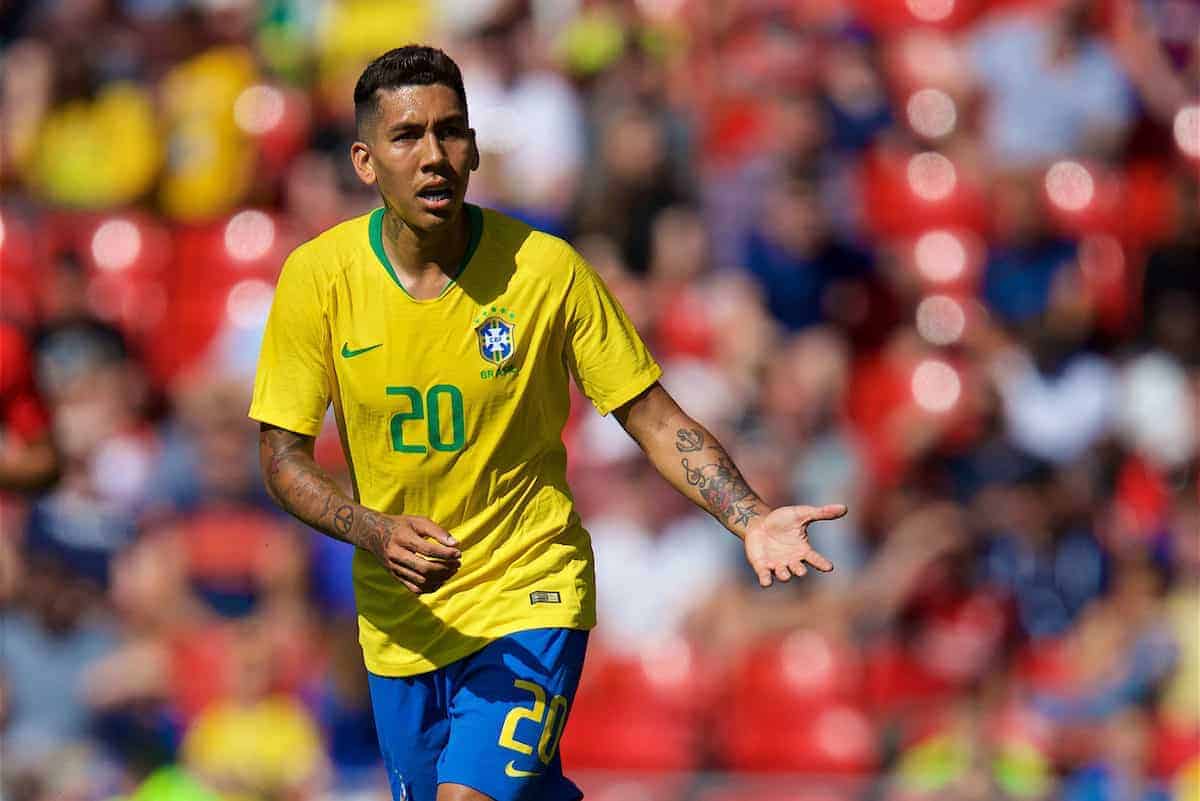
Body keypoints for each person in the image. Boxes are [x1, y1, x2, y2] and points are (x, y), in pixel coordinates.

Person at [250, 45, 846, 801]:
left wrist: (750, 516)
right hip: (401, 619)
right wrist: (373, 529)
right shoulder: (318, 278)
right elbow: (281, 458)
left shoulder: (545, 269)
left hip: (531, 587)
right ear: (366, 161)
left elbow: (652, 417)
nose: (434, 155)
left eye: (451, 131)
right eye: (407, 137)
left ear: (472, 148)